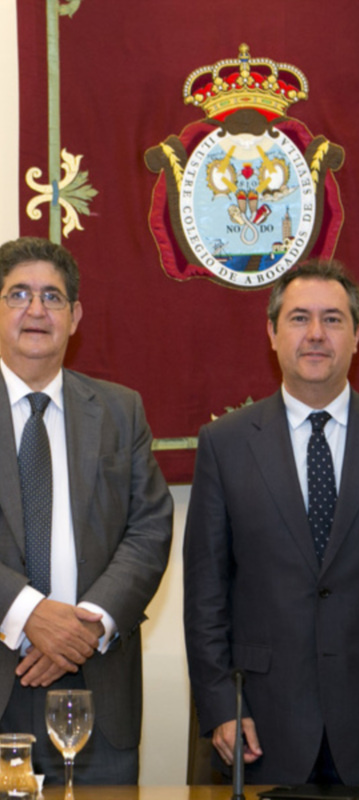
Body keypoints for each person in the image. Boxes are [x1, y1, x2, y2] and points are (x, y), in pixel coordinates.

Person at [184, 259, 359, 785]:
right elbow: (206, 597)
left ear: (357, 334)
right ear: (271, 332)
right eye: (298, 318)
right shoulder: (224, 443)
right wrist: (220, 703)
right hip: (259, 723)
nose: (315, 334)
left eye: (333, 319)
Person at [0, 237, 173, 784]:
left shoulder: (122, 409)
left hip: (98, 689)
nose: (35, 310)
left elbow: (150, 529)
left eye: (52, 297)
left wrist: (85, 625)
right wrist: (29, 613)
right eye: (18, 294)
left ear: (74, 317)